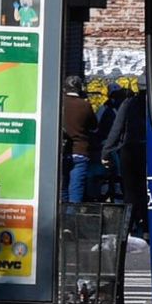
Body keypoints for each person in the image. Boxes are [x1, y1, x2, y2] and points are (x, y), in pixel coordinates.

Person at [102, 81, 147, 235]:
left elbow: (117, 127)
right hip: (150, 149)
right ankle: (147, 224)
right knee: (146, 190)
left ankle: (128, 227)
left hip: (130, 149)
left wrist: (106, 151)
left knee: (130, 191)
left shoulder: (129, 103)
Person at [61, 73, 97, 205]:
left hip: (63, 151)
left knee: (62, 189)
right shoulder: (85, 105)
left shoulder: (60, 104)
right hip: (81, 151)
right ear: (79, 88)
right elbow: (94, 126)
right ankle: (72, 221)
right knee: (76, 191)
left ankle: (62, 219)